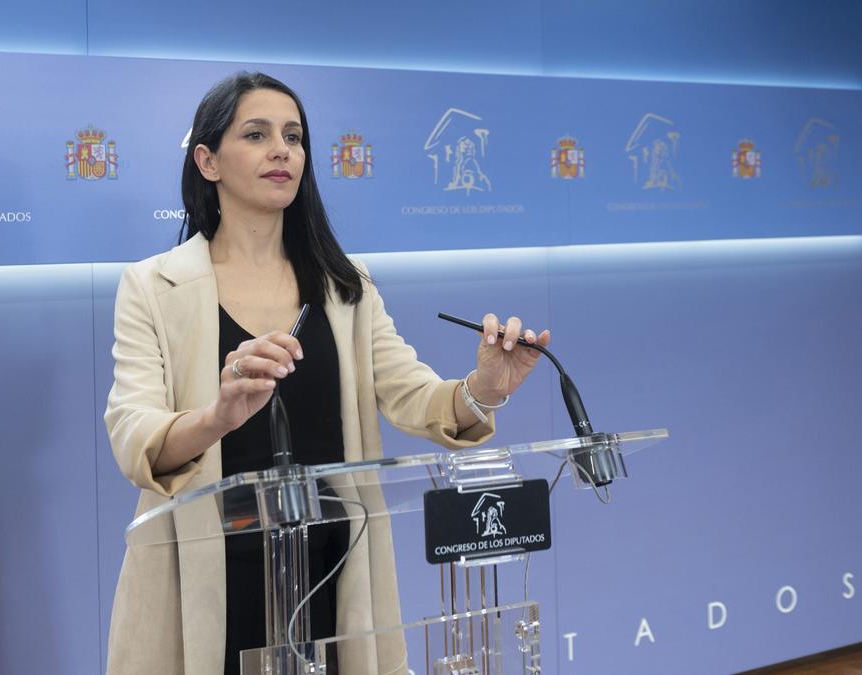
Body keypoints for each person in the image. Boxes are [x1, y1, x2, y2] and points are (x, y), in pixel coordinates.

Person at [103, 72, 550, 675]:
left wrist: (484, 391)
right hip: (208, 566)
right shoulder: (153, 285)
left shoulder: (346, 284)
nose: (281, 149)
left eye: (293, 135)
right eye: (256, 134)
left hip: (332, 563)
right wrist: (218, 417)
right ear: (207, 161)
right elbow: (134, 431)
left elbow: (412, 394)